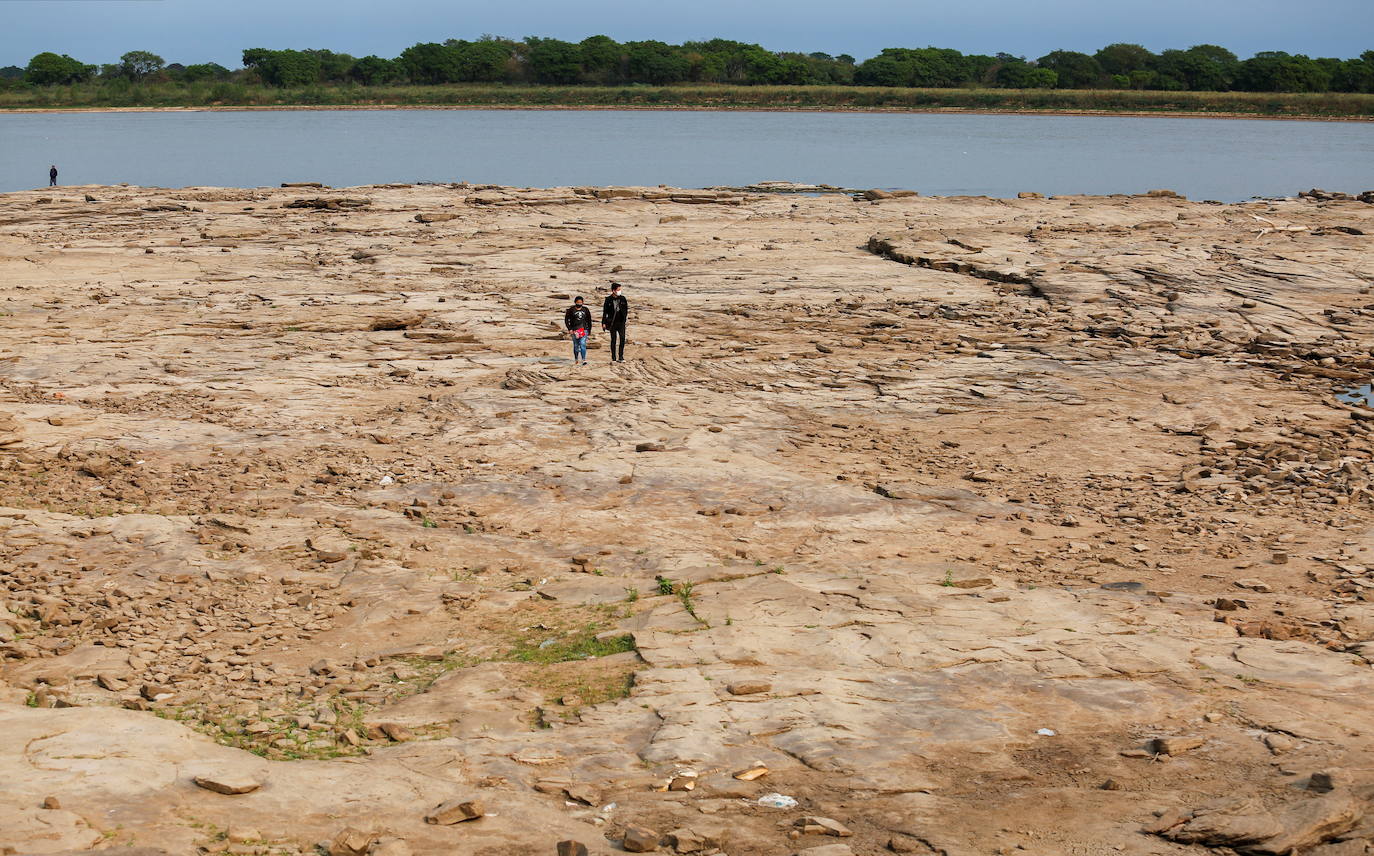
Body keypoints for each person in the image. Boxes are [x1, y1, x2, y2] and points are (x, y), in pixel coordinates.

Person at [601, 282, 629, 362]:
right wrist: (603, 323)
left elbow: (626, 309)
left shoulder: (623, 298)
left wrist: (625, 319)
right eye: (618, 289)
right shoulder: (608, 300)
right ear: (613, 290)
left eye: (620, 289)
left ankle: (621, 357)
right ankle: (613, 357)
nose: (620, 291)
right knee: (613, 339)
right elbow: (605, 312)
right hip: (612, 322)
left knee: (622, 338)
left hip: (621, 322)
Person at [564, 296, 592, 366]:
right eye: (578, 302)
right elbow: (566, 320)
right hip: (574, 330)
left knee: (582, 344)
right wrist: (569, 329)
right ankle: (576, 358)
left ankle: (584, 359)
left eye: (581, 302)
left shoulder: (586, 309)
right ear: (575, 302)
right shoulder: (571, 310)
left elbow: (589, 320)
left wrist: (589, 330)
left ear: (583, 302)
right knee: (576, 346)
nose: (579, 303)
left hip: (584, 329)